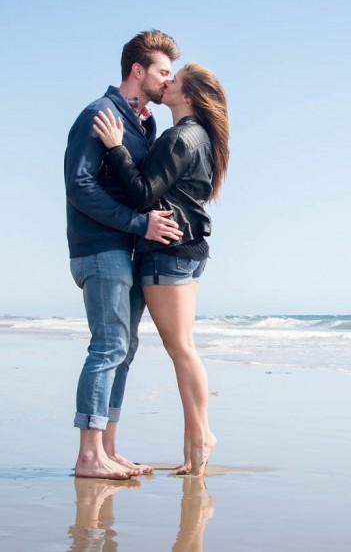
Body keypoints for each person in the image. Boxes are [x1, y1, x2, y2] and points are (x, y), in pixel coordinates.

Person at [91, 62, 229, 476]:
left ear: (187, 95)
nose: (166, 82)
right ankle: (195, 444)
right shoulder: (200, 137)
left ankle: (201, 436)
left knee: (181, 350)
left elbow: (143, 194)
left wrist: (116, 148)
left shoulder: (179, 137)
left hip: (166, 252)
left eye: (175, 79)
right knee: (183, 348)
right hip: (188, 249)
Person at [65, 30, 184, 480]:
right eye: (162, 71)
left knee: (125, 348)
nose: (167, 80)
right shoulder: (99, 113)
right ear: (138, 71)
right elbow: (79, 186)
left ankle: (108, 449)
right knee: (108, 346)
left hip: (126, 250)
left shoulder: (144, 124)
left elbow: (135, 185)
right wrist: (140, 224)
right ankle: (88, 455)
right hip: (99, 248)